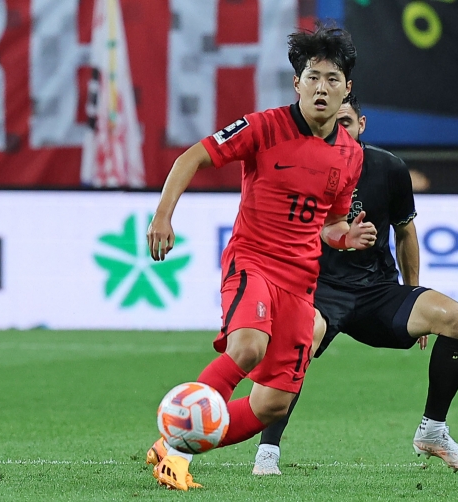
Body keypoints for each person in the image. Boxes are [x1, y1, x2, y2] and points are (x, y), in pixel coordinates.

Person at [145, 23, 377, 491]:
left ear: (346, 89)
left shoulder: (351, 156)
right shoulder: (263, 127)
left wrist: (343, 238)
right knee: (247, 347)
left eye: (332, 80)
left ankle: (178, 439)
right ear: (297, 83)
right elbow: (193, 156)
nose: (321, 88)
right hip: (252, 261)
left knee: (272, 403)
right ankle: (173, 452)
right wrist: (162, 217)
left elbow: (330, 223)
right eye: (312, 76)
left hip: (300, 281)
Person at [251, 94, 458, 476]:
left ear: (362, 125)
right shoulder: (301, 168)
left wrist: (414, 292)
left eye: (347, 122)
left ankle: (433, 431)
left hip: (377, 292)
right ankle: (268, 450)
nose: (339, 130)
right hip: (319, 289)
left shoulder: (389, 168)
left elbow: (406, 232)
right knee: (302, 336)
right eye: (332, 124)